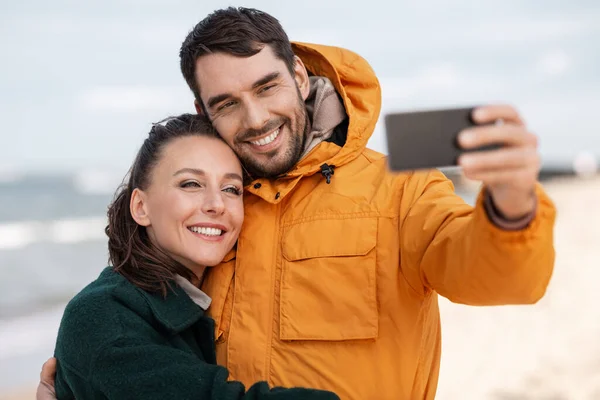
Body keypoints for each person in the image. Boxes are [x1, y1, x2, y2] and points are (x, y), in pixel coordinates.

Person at [40, 7, 557, 400]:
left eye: (267, 87)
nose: (257, 118)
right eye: (227, 104)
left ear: (300, 77)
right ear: (203, 110)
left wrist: (511, 206)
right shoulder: (212, 215)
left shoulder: (400, 191)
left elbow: (501, 278)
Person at [40, 114, 339, 400]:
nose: (216, 204)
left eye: (231, 188)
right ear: (141, 207)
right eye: (191, 184)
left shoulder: (203, 298)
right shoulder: (104, 317)